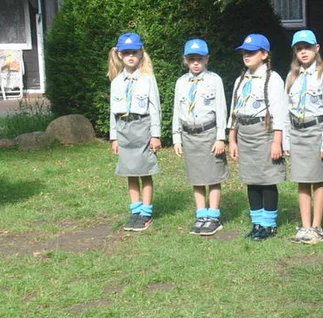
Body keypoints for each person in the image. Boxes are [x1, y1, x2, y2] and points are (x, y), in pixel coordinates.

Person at [228, 33, 288, 240]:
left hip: (264, 131)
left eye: (252, 52)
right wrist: (232, 138)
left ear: (264, 54)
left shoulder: (273, 79)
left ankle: (269, 224)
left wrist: (277, 142)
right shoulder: (240, 80)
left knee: (267, 179)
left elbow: (279, 112)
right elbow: (234, 110)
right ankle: (257, 222)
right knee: (251, 179)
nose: (247, 55)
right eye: (245, 52)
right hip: (245, 132)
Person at [171, 38, 228, 236]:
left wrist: (221, 137)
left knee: (212, 176)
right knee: (196, 177)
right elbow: (176, 110)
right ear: (185, 60)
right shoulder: (181, 82)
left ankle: (213, 216)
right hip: (189, 134)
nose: (196, 63)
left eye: (200, 59)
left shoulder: (214, 80)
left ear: (207, 59)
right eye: (191, 59)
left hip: (209, 133)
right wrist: (176, 137)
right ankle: (201, 214)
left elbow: (221, 109)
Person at [285, 30, 323, 244]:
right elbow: (287, 109)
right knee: (302, 180)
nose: (303, 52)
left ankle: (317, 226)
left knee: (317, 179)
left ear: (317, 48)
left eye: (307, 47)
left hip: (316, 131)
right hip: (297, 132)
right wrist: (286, 138)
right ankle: (304, 226)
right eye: (299, 48)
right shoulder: (292, 76)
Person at [109, 32, 161, 231]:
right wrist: (114, 137)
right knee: (130, 172)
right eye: (126, 53)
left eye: (134, 52)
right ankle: (135, 211)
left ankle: (146, 213)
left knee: (145, 171)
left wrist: (155, 135)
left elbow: (155, 107)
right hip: (124, 130)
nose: (131, 56)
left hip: (142, 128)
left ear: (141, 54)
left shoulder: (147, 79)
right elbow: (113, 111)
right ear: (120, 55)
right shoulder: (116, 82)